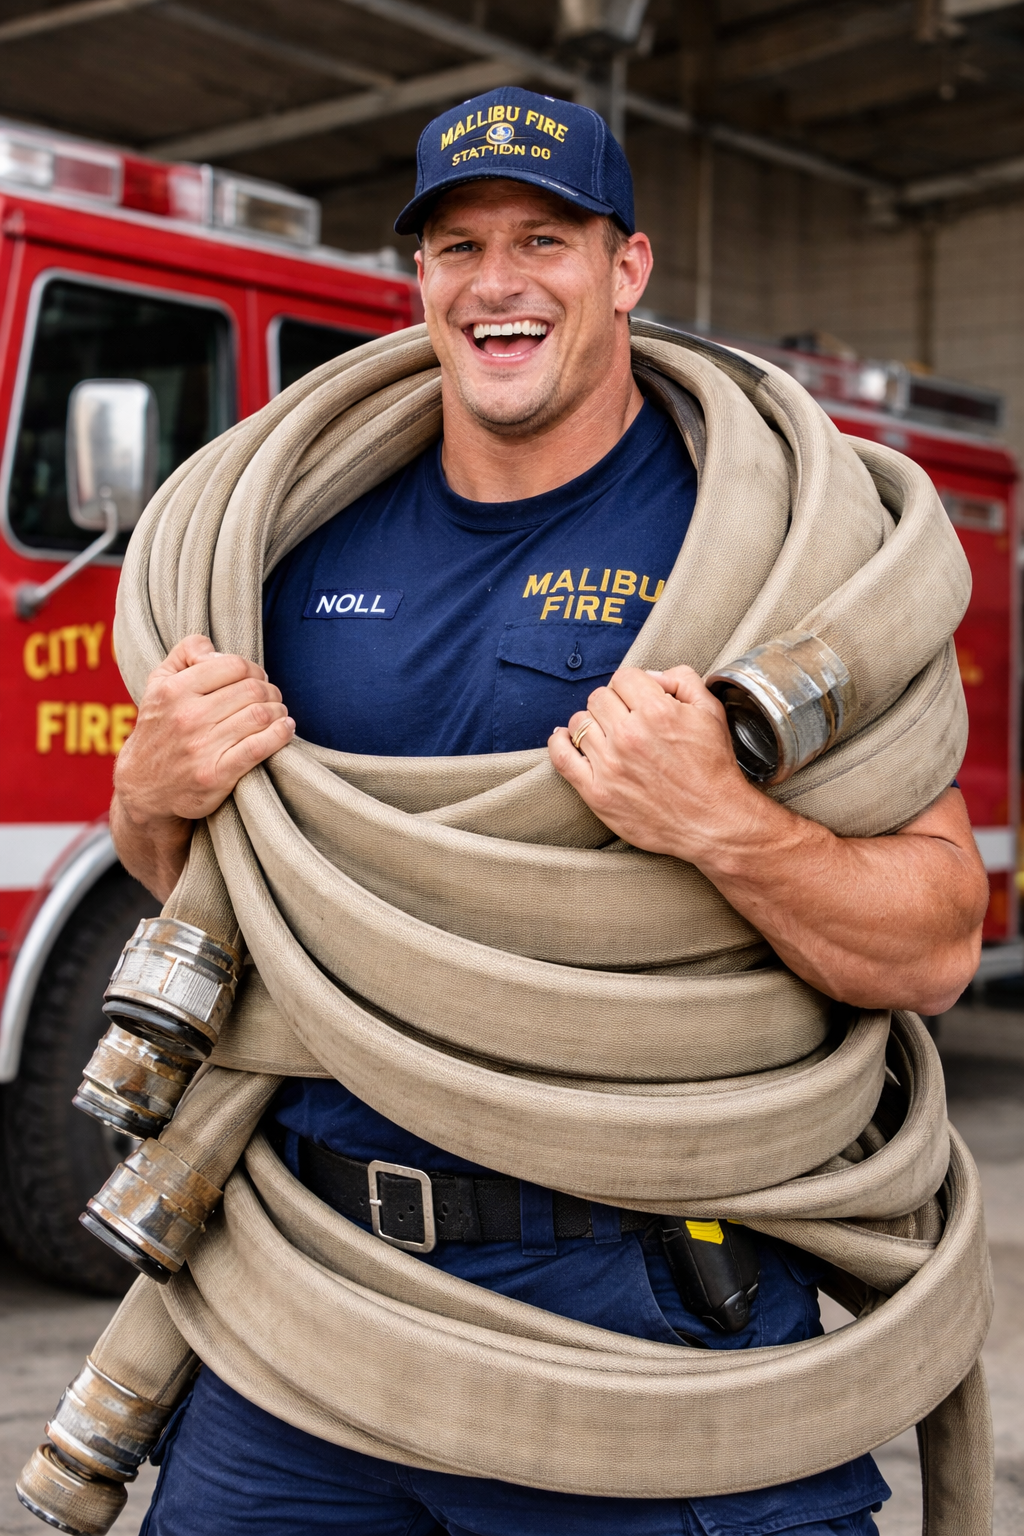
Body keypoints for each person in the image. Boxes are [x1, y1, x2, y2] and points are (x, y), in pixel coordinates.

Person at [111, 87, 988, 1536]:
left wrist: (725, 822)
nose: (496, 282)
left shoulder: (760, 550)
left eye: (543, 239)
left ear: (628, 268)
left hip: (640, 1310)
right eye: (455, 247)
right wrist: (150, 797)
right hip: (308, 1303)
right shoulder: (288, 542)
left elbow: (935, 945)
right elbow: (213, 890)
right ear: (419, 281)